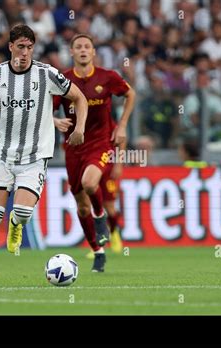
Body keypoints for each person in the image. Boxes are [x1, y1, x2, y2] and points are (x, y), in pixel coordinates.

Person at [0, 24, 88, 286]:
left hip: (34, 157)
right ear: (10, 46)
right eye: (20, 47)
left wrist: (79, 128)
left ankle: (17, 223)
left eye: (29, 47)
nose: (25, 52)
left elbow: (80, 98)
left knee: (22, 213)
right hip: (2, 156)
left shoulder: (46, 74)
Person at [53, 34, 135, 272]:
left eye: (87, 46)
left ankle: (101, 218)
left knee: (91, 184)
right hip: (73, 147)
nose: (82, 50)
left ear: (93, 52)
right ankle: (98, 252)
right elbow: (50, 108)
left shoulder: (107, 77)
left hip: (100, 144)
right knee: (81, 206)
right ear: (71, 52)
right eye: (77, 47)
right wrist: (55, 120)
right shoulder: (63, 80)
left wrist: (122, 125)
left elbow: (131, 94)